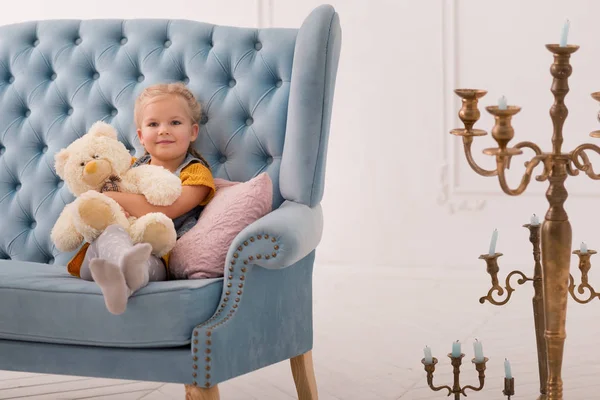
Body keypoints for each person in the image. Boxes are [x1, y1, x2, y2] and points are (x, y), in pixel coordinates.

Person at [73, 82, 215, 315]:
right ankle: (118, 267)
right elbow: (93, 202)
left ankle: (120, 286)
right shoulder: (127, 169)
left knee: (142, 262)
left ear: (193, 132)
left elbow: (169, 209)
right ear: (141, 136)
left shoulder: (196, 174)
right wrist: (110, 201)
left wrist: (113, 197)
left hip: (156, 258)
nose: (163, 130)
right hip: (98, 257)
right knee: (112, 234)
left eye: (175, 122)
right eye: (153, 124)